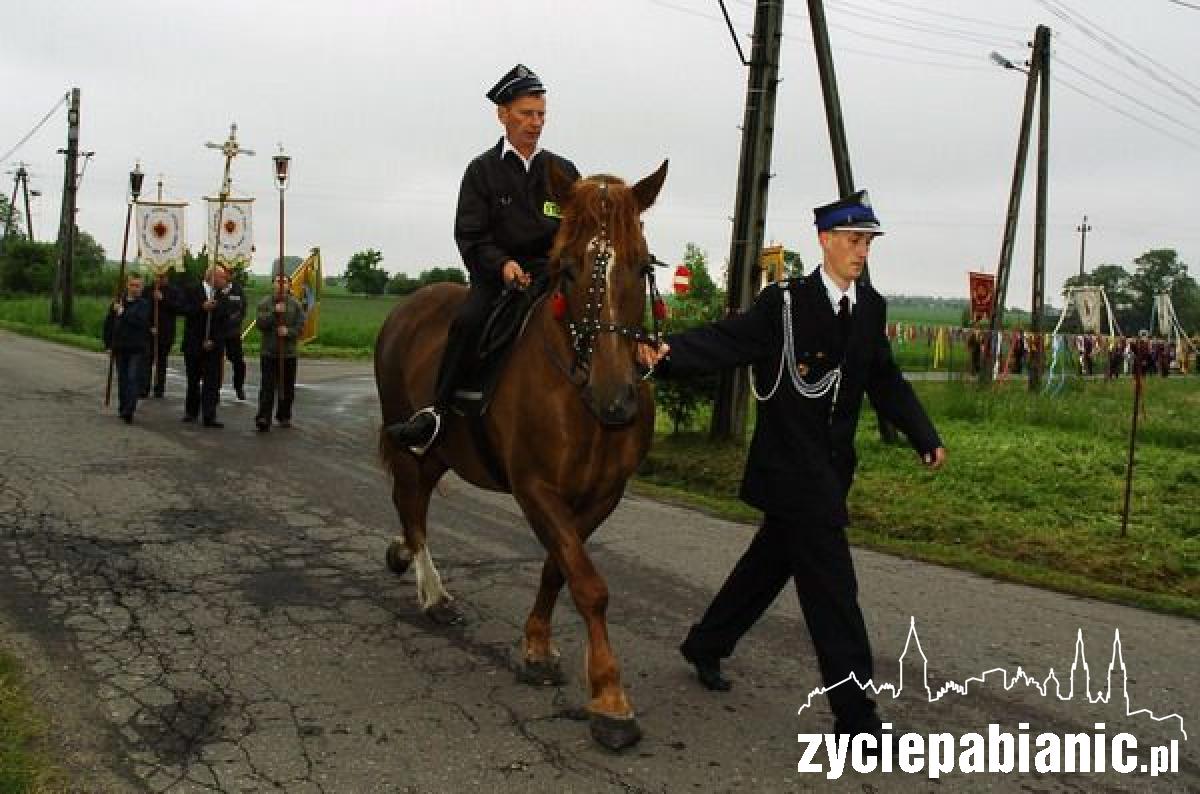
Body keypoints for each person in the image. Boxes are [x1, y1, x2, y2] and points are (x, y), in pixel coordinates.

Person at [639, 190, 947, 741]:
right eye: (853, 240)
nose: (862, 251)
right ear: (826, 241)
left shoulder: (870, 307)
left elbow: (884, 379)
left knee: (766, 567)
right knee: (833, 594)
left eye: (868, 242)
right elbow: (729, 340)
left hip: (831, 470)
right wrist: (669, 354)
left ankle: (706, 643)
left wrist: (923, 435)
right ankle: (857, 719)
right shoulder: (784, 304)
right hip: (790, 469)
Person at [385, 63, 580, 450]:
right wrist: (503, 265)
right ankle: (437, 413)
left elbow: (578, 230)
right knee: (467, 322)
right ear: (503, 114)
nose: (536, 123)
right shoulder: (482, 171)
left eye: (541, 115)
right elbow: (471, 236)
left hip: (552, 278)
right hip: (498, 279)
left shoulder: (564, 171)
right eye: (526, 114)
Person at [180, 265, 232, 427]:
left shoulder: (223, 295)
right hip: (194, 343)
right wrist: (202, 307)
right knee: (193, 380)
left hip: (213, 346)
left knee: (212, 382)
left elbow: (225, 320)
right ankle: (191, 411)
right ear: (212, 277)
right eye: (222, 277)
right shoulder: (192, 290)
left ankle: (209, 415)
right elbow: (184, 309)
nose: (225, 280)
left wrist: (213, 340)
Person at [254, 273, 306, 432]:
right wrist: (274, 313)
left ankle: (284, 415)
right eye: (278, 281)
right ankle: (263, 417)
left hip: (288, 354)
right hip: (269, 352)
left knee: (287, 387)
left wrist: (288, 332)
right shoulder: (264, 303)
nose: (281, 285)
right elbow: (260, 324)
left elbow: (300, 328)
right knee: (267, 387)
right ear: (273, 284)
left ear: (289, 286)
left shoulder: (296, 305)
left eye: (285, 282)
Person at [103, 273, 151, 423]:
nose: (135, 288)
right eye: (132, 285)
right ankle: (123, 407)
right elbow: (109, 324)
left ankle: (129, 409)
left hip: (136, 348)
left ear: (142, 288)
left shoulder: (144, 304)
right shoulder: (118, 302)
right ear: (127, 285)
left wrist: (123, 313)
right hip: (120, 346)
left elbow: (140, 322)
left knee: (132, 378)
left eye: (138, 286)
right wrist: (108, 344)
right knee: (122, 379)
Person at [139, 270, 185, 398]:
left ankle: (159, 388)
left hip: (166, 332)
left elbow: (179, 308)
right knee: (146, 360)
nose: (159, 279)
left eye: (162, 277)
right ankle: (144, 388)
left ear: (167, 277)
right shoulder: (148, 290)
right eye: (157, 276)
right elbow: (142, 309)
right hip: (149, 331)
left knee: (161, 361)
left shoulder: (174, 291)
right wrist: (149, 326)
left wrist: (163, 299)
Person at [222, 269, 249, 401]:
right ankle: (213, 388)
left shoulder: (238, 290)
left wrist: (234, 320)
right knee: (213, 362)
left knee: (239, 362)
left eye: (230, 272)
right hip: (217, 332)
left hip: (233, 333)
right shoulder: (216, 288)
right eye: (226, 272)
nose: (228, 274)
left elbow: (242, 309)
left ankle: (239, 387)